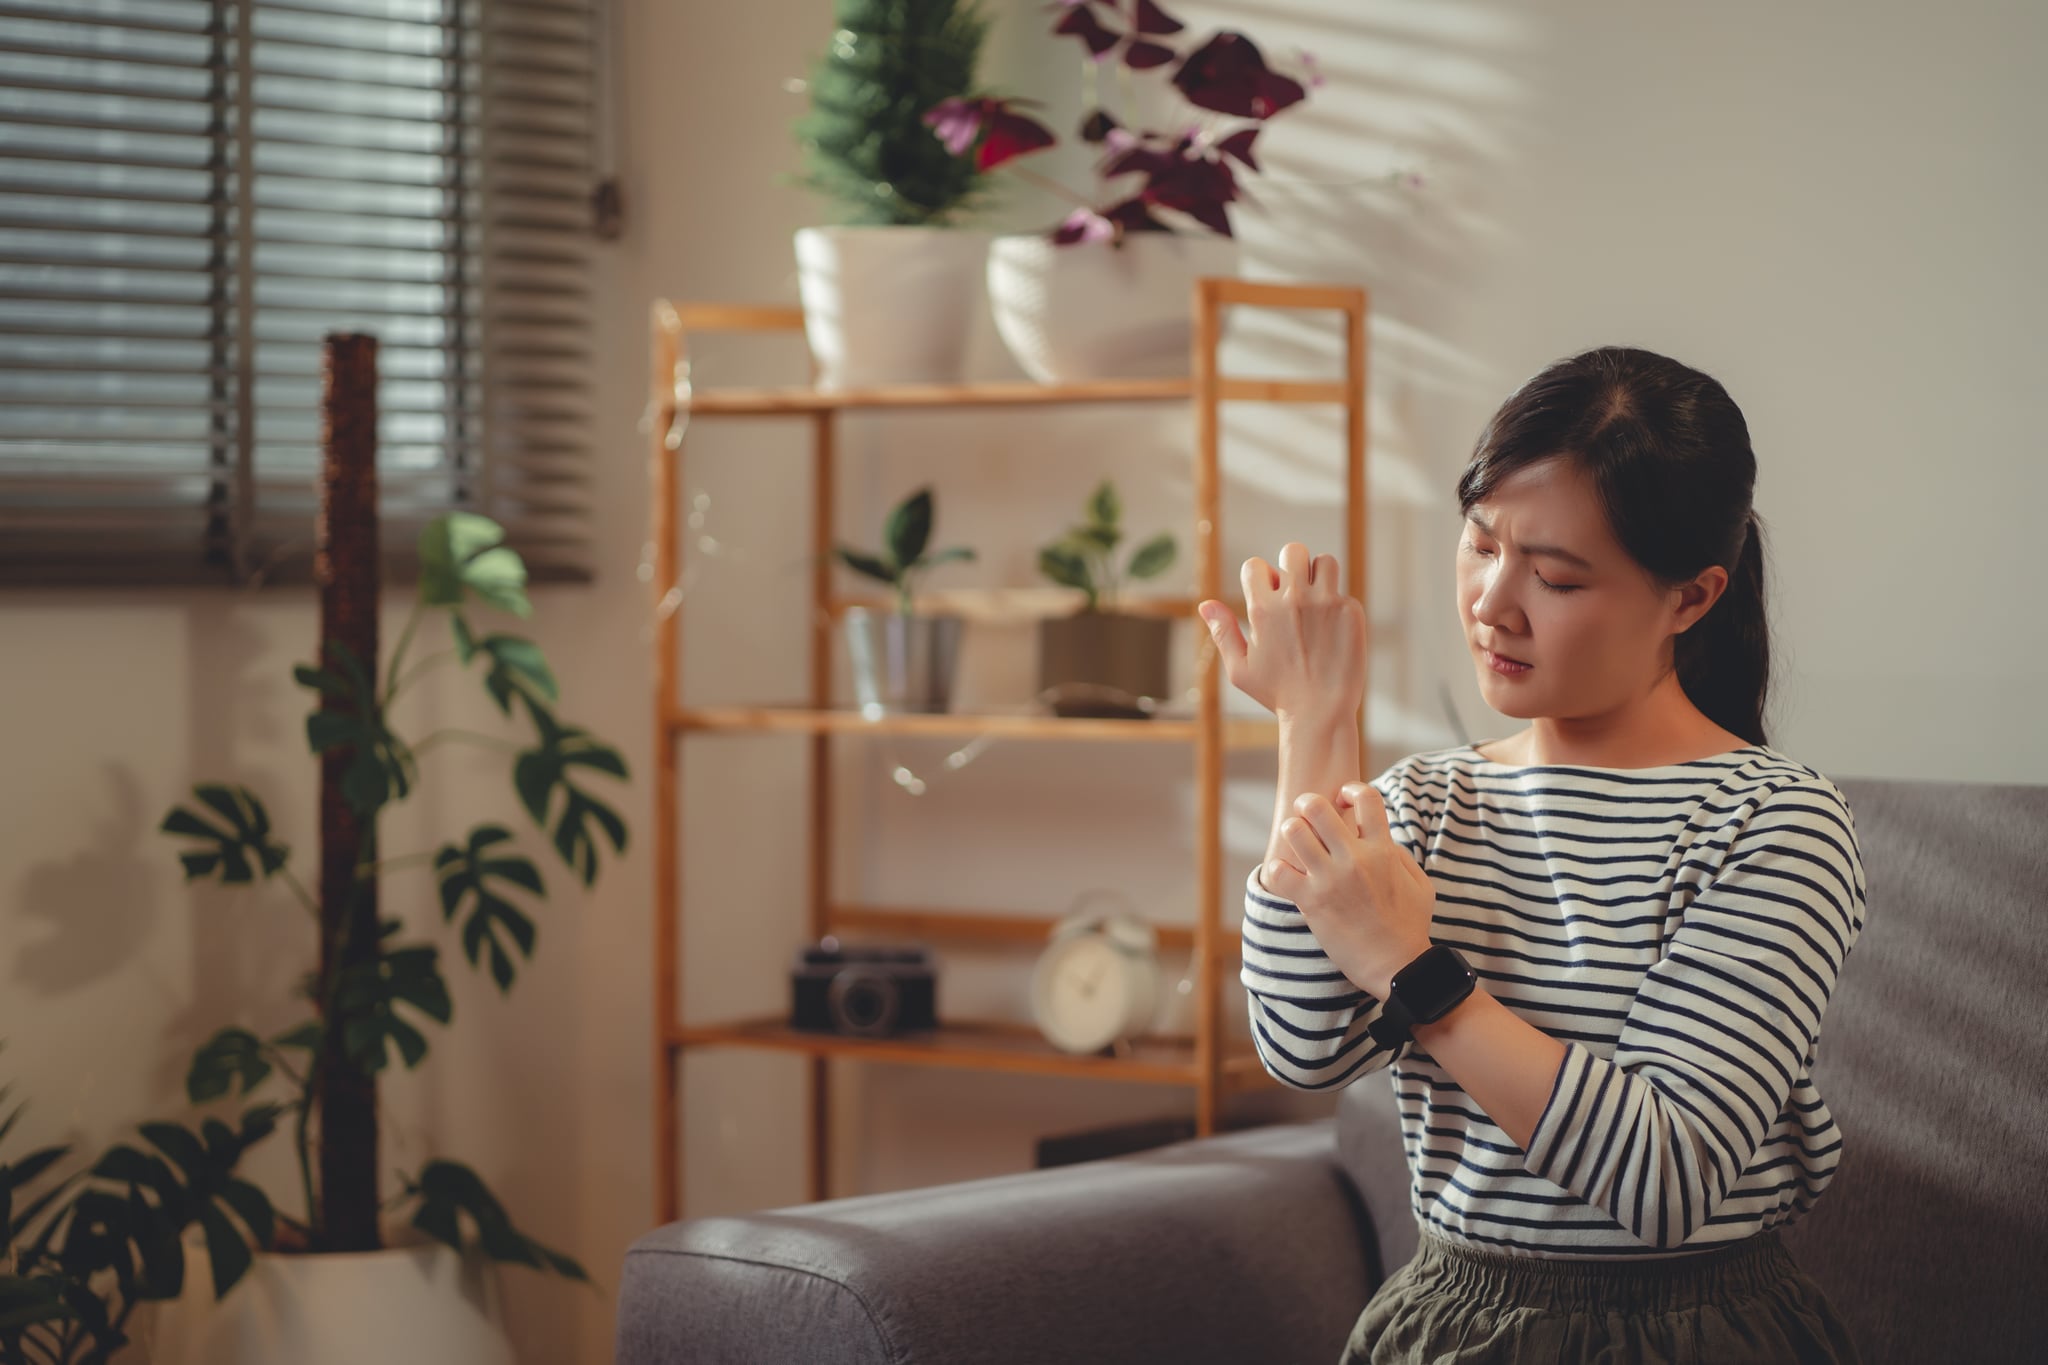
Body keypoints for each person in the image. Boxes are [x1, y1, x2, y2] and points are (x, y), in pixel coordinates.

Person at [1196, 346, 1867, 1364]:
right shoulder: (1427, 800)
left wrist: (1415, 973)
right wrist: (1313, 724)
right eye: (1478, 546)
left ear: (1689, 598)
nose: (1491, 603)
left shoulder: (1771, 823)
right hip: (1449, 1320)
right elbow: (1303, 1047)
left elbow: (1663, 1179)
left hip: (1691, 1333)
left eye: (1553, 576)